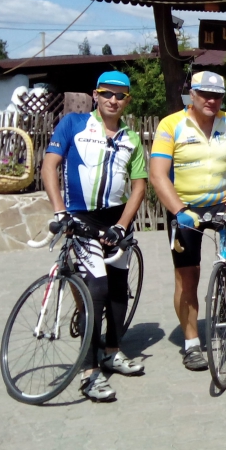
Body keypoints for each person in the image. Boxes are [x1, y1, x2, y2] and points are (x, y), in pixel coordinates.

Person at [41, 71, 147, 401]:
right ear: (95, 95)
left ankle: (112, 351)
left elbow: (139, 186)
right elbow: (49, 166)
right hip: (81, 218)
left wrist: (122, 225)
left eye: (121, 95)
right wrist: (60, 212)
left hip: (116, 220)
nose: (114, 100)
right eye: (107, 93)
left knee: (117, 288)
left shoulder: (131, 137)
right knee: (96, 288)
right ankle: (89, 371)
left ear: (127, 100)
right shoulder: (73, 123)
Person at [149, 71, 226, 371]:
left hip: (224, 202)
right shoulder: (171, 125)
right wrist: (178, 210)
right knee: (187, 277)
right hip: (186, 206)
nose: (211, 100)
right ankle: (191, 344)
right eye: (205, 94)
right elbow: (157, 174)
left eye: (217, 96)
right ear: (192, 94)